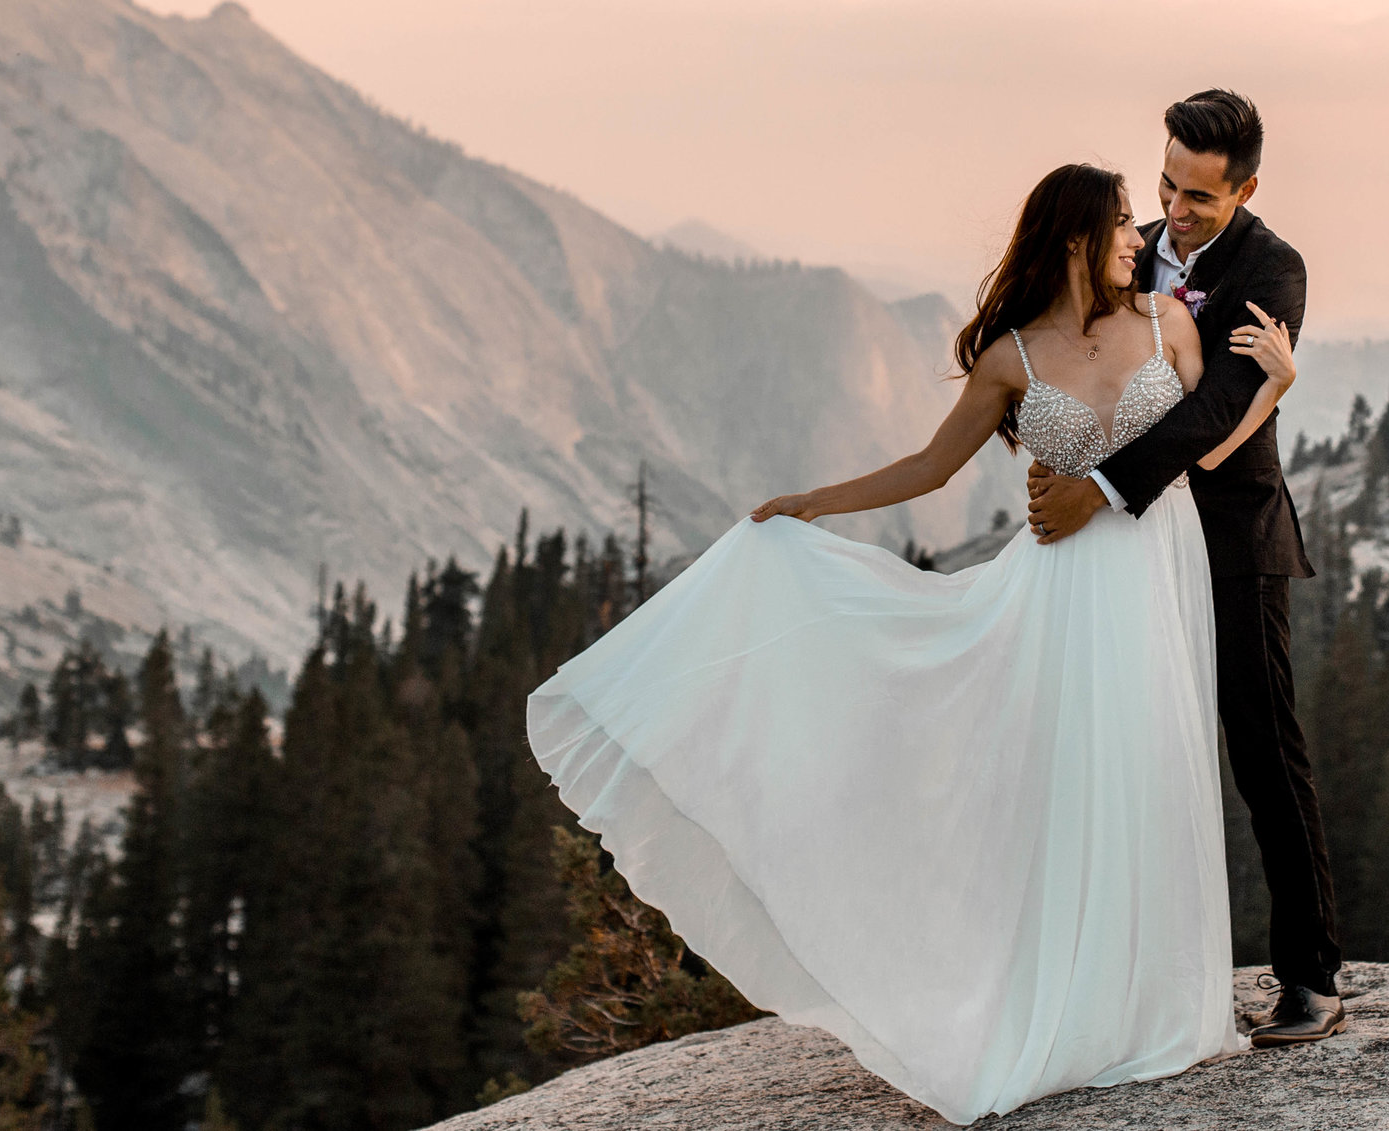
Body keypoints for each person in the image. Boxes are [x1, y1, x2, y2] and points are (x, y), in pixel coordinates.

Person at [527, 160, 1300, 1125]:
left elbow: (1205, 449)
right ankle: (1071, 1006)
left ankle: (1158, 1002)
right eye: (1117, 232)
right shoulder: (1012, 357)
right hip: (1062, 595)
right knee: (1068, 786)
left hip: (1155, 577)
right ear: (1072, 239)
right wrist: (814, 501)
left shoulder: (1167, 325)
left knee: (1154, 771)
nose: (1138, 243)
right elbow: (934, 466)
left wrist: (1274, 388)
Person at [1026, 88, 1345, 1045]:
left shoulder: (1273, 268)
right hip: (1129, 550)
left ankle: (1311, 978)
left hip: (1230, 538)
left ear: (1246, 187)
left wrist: (1104, 485)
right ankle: (1125, 983)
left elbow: (1217, 413)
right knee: (1127, 749)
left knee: (1261, 747)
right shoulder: (1134, 244)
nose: (1177, 207)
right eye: (1167, 183)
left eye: (1201, 195)